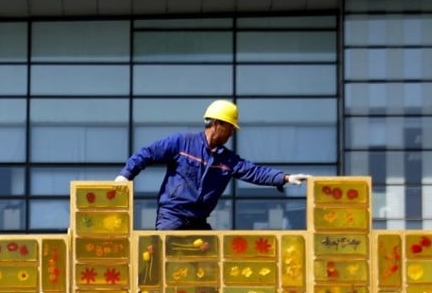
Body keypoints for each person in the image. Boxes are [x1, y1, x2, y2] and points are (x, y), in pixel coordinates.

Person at [114, 99, 309, 230]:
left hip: (199, 222)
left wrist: (285, 178)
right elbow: (146, 154)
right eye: (230, 128)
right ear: (217, 124)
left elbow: (254, 172)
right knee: (166, 265)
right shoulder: (181, 143)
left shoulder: (228, 160)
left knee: (207, 270)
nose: (231, 133)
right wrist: (125, 176)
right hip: (172, 218)